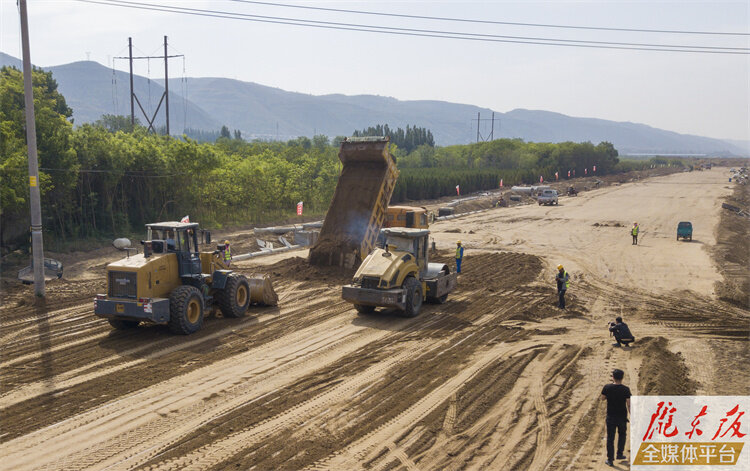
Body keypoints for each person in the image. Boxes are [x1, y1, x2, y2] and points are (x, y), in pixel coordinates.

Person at [601, 369, 631, 466]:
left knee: (610, 438)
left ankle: (610, 460)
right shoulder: (626, 389)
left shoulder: (607, 387)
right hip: (622, 417)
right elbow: (629, 404)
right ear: (622, 378)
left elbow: (602, 398)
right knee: (622, 435)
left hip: (611, 417)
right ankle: (619, 454)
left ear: (613, 377)